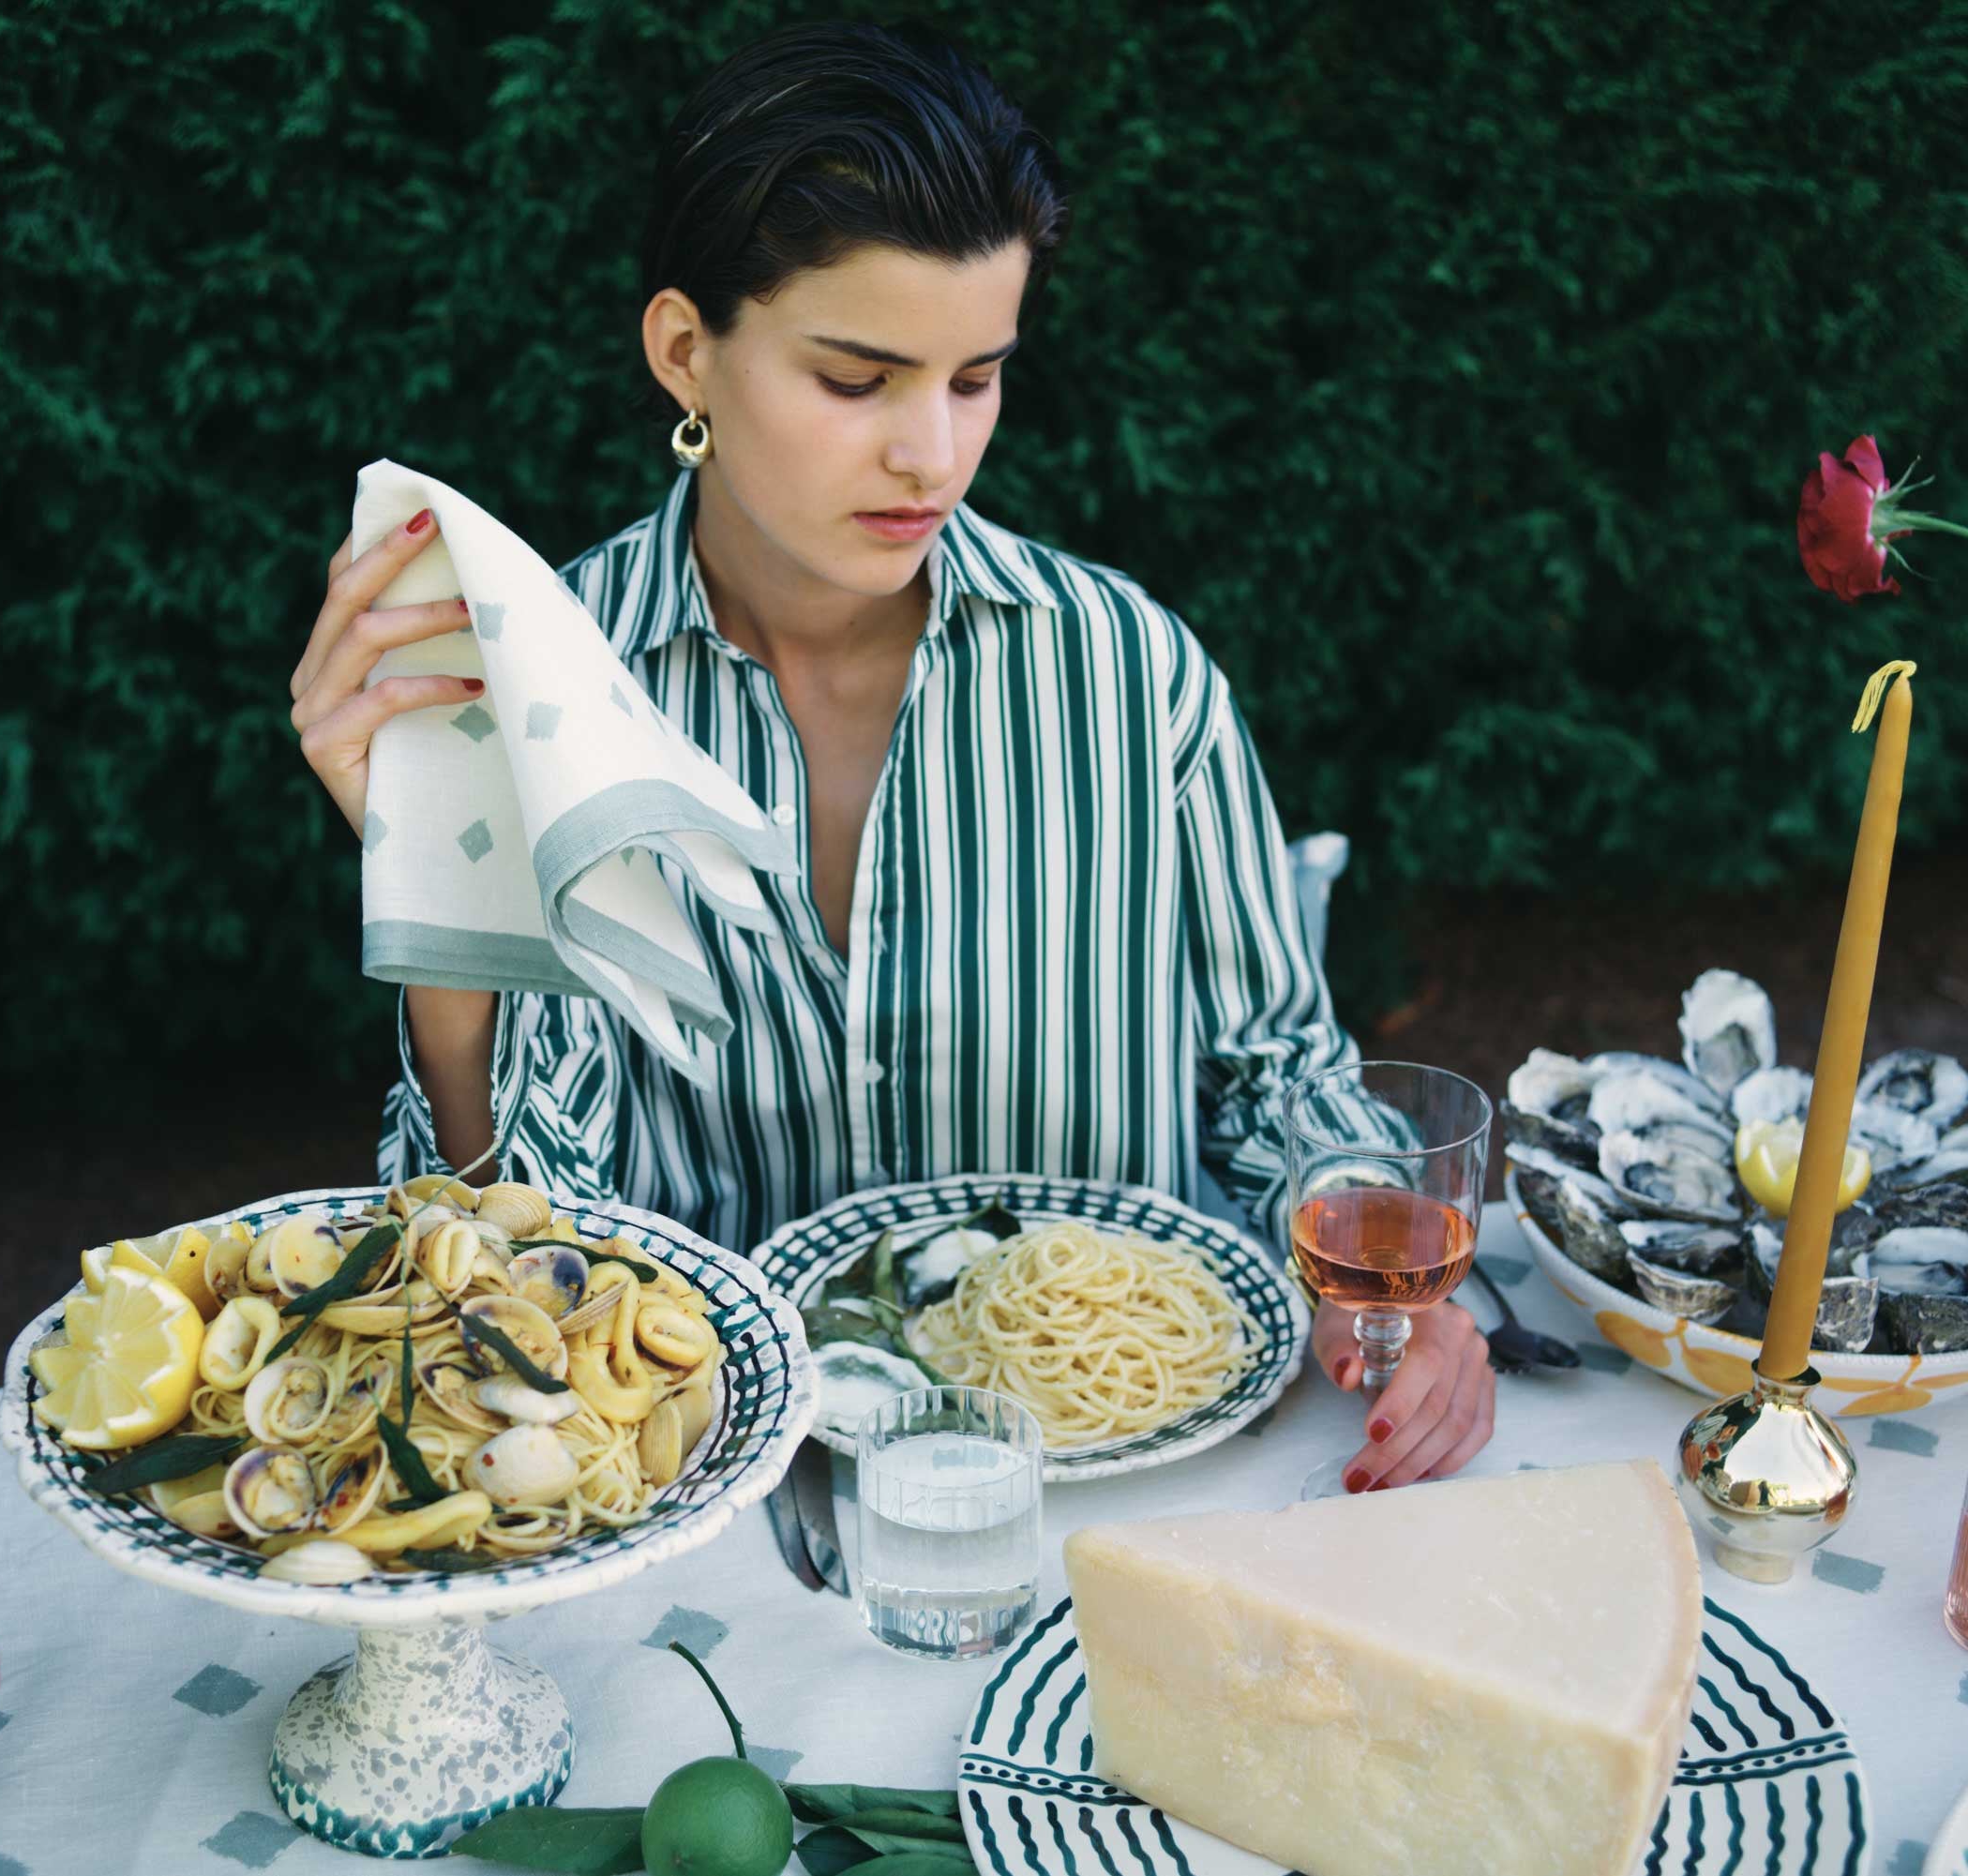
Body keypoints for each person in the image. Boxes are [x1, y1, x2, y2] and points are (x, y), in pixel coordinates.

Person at [285, 23, 1493, 1493]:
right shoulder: (540, 693)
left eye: (975, 378)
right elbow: (515, 1272)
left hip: (1121, 1485)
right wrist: (446, 887)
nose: (932, 454)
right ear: (685, 352)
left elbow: (1277, 1074)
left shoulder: (1132, 674)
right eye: (858, 379)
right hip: (719, 1498)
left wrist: (1382, 1272)